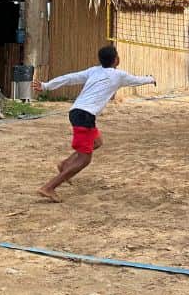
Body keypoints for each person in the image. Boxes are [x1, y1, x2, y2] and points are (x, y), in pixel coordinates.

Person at [32, 45, 155, 201]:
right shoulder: (119, 75)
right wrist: (151, 78)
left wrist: (46, 86)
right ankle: (49, 187)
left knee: (97, 141)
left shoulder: (94, 70)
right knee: (85, 159)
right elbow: (137, 80)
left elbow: (69, 78)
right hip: (85, 115)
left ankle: (65, 164)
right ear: (116, 60)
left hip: (77, 111)